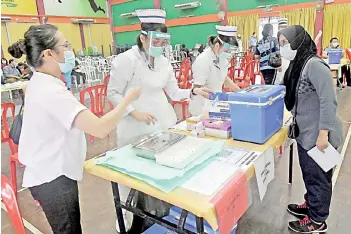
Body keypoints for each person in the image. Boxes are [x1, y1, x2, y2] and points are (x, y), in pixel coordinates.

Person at [9, 24, 141, 234]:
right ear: (48, 53)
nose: (70, 51)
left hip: (50, 171)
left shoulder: (42, 82)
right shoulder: (51, 91)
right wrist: (127, 101)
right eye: (66, 45)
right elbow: (99, 128)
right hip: (53, 178)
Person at [107, 9, 212, 232]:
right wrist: (134, 112)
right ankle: (124, 221)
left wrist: (193, 91)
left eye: (164, 41)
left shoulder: (164, 62)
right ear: (143, 37)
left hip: (162, 123)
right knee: (130, 176)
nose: (160, 45)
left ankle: (158, 217)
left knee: (158, 174)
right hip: (133, 126)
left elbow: (173, 93)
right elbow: (113, 93)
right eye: (156, 40)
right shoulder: (125, 61)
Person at [278, 25, 343, 233]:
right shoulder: (298, 64)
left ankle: (317, 220)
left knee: (319, 178)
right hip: (306, 133)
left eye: (285, 43)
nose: (283, 48)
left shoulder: (315, 65)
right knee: (309, 174)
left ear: (297, 41)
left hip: (319, 135)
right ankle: (311, 204)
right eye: (281, 44)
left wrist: (323, 134)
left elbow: (328, 101)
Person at [189, 25, 240, 116]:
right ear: (217, 46)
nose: (229, 54)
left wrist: (240, 92)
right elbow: (198, 89)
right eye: (227, 51)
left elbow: (223, 78)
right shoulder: (203, 60)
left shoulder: (221, 58)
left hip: (216, 102)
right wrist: (217, 100)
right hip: (202, 106)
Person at [275, 18, 289, 84]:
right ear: (278, 28)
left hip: (288, 60)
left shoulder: (290, 36)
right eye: (281, 27)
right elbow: (277, 51)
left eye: (285, 27)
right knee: (279, 80)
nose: (283, 28)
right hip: (281, 60)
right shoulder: (278, 37)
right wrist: (279, 64)